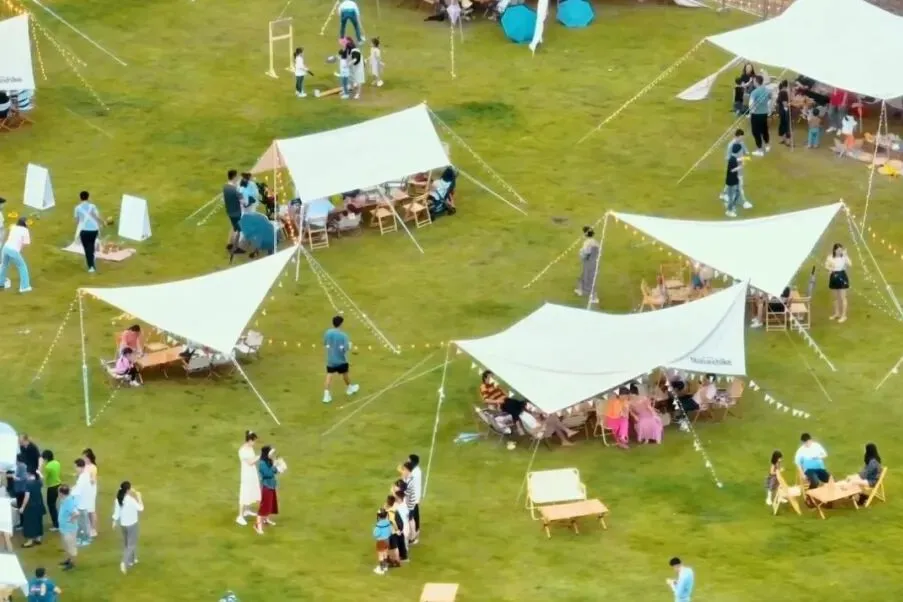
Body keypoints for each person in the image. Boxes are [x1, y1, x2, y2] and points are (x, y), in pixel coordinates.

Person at [323, 315, 360, 403]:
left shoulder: (328, 332)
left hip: (331, 360)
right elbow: (345, 348)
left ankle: (326, 395)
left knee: (329, 376)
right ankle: (350, 388)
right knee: (345, 374)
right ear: (341, 324)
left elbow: (325, 343)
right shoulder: (343, 335)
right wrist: (350, 346)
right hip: (341, 360)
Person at [112, 481, 143, 574]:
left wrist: (114, 521)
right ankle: (124, 562)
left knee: (127, 543)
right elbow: (141, 508)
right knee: (131, 545)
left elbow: (117, 512)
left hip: (123, 525)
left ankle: (132, 560)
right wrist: (139, 497)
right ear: (128, 490)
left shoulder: (118, 499)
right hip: (132, 524)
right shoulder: (131, 500)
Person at [0, 217, 32, 293]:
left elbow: (11, 227)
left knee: (4, 265)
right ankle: (24, 287)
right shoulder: (25, 230)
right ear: (24, 223)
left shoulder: (14, 227)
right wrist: (19, 249)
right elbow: (26, 243)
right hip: (13, 250)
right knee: (22, 266)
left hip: (5, 248)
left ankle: (1, 282)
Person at [255, 446, 281, 535]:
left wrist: (278, 468)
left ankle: (266, 520)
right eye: (270, 453)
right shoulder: (262, 463)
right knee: (264, 507)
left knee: (270, 505)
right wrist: (275, 466)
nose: (272, 455)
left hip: (271, 486)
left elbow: (274, 471)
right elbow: (268, 474)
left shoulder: (268, 461)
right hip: (266, 487)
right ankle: (258, 526)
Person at [74, 191, 102, 273]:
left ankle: (91, 266)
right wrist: (103, 222)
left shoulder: (77, 208)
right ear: (88, 197)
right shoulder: (93, 206)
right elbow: (97, 216)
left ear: (80, 198)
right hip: (94, 230)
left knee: (87, 249)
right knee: (91, 246)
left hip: (84, 231)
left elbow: (77, 221)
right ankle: (93, 256)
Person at [236, 430, 260, 526]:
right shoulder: (243, 451)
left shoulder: (250, 448)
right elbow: (250, 462)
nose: (254, 443)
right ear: (250, 440)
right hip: (246, 475)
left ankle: (247, 510)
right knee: (244, 493)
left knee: (250, 491)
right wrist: (259, 457)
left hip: (252, 473)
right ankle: (240, 516)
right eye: (254, 441)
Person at [719, 129, 749, 206]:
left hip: (740, 167)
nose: (741, 140)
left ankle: (723, 194)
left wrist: (745, 157)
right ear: (736, 136)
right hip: (733, 167)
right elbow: (727, 158)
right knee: (740, 185)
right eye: (740, 138)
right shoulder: (730, 145)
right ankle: (744, 201)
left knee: (731, 183)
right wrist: (740, 159)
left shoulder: (741, 143)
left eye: (742, 138)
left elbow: (746, 152)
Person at [825, 243, 851, 323]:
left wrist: (846, 256)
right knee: (835, 298)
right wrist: (830, 268)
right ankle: (837, 313)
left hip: (842, 276)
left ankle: (844, 315)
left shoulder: (843, 257)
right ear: (834, 250)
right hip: (833, 276)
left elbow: (850, 264)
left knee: (843, 297)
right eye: (838, 250)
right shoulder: (830, 257)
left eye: (841, 250)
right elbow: (826, 266)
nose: (840, 251)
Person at [574, 226, 600, 304]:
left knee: (590, 279)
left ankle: (594, 298)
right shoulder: (595, 242)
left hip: (589, 262)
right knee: (583, 276)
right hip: (594, 262)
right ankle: (580, 290)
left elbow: (586, 253)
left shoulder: (587, 242)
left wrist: (581, 254)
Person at [56, 485, 79, 571]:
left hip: (69, 529)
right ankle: (68, 560)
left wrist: (71, 520)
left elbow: (76, 513)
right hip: (64, 528)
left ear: (62, 493)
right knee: (66, 545)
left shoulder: (69, 502)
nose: (58, 493)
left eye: (59, 492)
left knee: (71, 546)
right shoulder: (65, 499)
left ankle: (72, 563)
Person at [20, 471, 46, 547]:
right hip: (39, 505)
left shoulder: (28, 483)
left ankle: (30, 541)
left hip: (31, 506)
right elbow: (42, 478)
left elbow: (27, 497)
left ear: (29, 474)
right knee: (38, 521)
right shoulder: (38, 481)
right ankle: (38, 538)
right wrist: (39, 472)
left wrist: (22, 507)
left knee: (29, 523)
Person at [747, 75, 772, 156]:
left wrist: (751, 112)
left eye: (754, 81)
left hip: (756, 115)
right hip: (764, 114)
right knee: (764, 130)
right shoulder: (767, 90)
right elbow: (770, 100)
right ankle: (767, 145)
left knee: (755, 132)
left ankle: (759, 150)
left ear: (756, 82)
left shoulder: (754, 92)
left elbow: (751, 104)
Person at [71, 459, 92, 547]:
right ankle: (80, 538)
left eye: (76, 467)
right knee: (80, 522)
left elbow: (77, 491)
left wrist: (70, 493)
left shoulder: (83, 478)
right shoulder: (84, 475)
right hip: (82, 503)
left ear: (80, 467)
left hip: (82, 504)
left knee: (83, 523)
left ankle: (86, 539)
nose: (75, 469)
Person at [223, 170, 244, 254]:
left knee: (233, 227)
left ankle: (229, 244)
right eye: (237, 176)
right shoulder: (235, 189)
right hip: (236, 212)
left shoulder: (225, 187)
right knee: (238, 230)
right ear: (234, 177)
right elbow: (243, 200)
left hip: (229, 211)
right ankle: (235, 248)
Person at [40, 450, 61, 531]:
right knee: (54, 505)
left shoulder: (48, 467)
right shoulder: (57, 463)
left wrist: (39, 471)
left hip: (52, 488)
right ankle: (57, 522)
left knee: (51, 506)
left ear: (46, 458)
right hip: (58, 485)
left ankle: (56, 525)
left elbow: (44, 478)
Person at [402, 455, 422, 544]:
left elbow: (405, 485)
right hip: (415, 498)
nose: (407, 461)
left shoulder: (413, 474)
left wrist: (403, 475)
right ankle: (413, 534)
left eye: (408, 460)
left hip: (411, 500)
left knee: (411, 518)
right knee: (412, 518)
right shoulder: (417, 470)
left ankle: (413, 536)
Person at [81, 449, 99, 537]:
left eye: (84, 457)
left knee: (91, 510)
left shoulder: (93, 467)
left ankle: (93, 529)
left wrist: (86, 479)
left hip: (90, 491)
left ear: (88, 458)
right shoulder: (84, 466)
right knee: (86, 510)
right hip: (84, 490)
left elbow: (93, 480)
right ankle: (88, 527)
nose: (83, 458)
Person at [723, 143, 743, 217]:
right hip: (731, 181)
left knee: (737, 192)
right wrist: (740, 167)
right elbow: (732, 170)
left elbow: (734, 160)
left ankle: (732, 205)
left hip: (734, 179)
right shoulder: (733, 160)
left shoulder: (732, 158)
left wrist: (741, 159)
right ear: (738, 151)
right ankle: (729, 211)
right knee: (731, 196)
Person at [372, 508, 392, 575]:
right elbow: (390, 531)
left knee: (380, 554)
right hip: (387, 540)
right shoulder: (388, 522)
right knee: (385, 552)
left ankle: (381, 569)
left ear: (379, 516)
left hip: (380, 541)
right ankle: (385, 566)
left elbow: (375, 534)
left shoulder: (379, 525)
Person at [776, 80, 791, 146]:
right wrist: (789, 105)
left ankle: (782, 139)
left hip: (781, 111)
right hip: (784, 111)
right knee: (786, 125)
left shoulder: (781, 92)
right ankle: (787, 141)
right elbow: (785, 104)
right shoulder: (784, 92)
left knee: (782, 124)